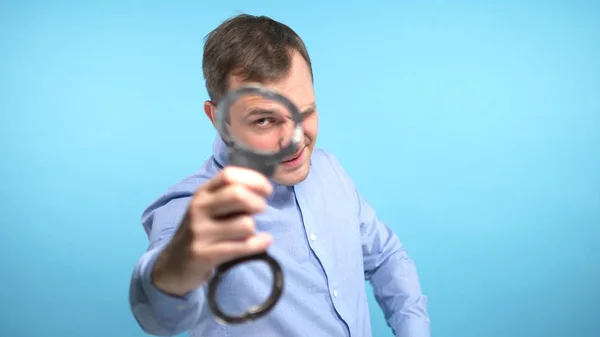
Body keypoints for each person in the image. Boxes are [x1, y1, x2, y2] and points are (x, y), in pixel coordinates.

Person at [129, 14, 430, 337]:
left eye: (305, 112)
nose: (295, 140)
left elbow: (385, 256)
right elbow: (160, 317)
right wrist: (178, 264)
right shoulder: (193, 207)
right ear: (218, 119)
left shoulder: (329, 170)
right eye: (264, 121)